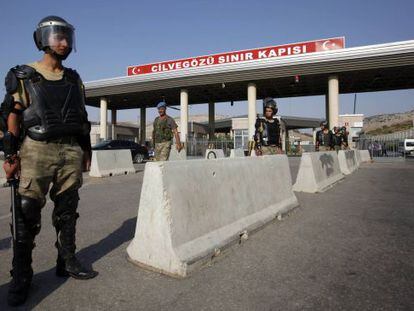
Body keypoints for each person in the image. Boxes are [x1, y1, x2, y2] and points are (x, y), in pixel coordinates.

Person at [1, 16, 98, 307]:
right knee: (27, 212)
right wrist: (10, 154)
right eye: (58, 37)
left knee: (68, 208)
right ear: (43, 39)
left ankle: (66, 258)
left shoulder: (74, 78)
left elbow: (81, 117)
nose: (64, 42)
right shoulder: (24, 74)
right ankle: (21, 275)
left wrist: (86, 150)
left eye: (67, 37)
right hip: (36, 149)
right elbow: (12, 117)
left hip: (70, 149)